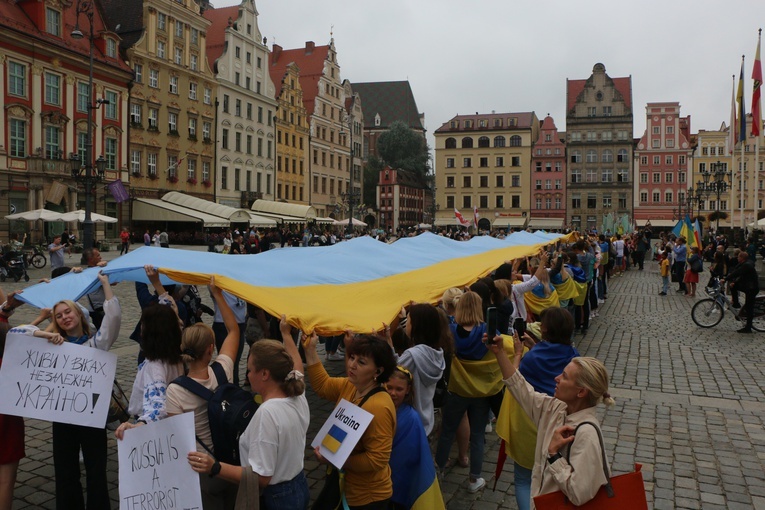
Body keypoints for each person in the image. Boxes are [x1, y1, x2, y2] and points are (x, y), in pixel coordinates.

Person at [187, 316, 309, 510]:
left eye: (250, 369)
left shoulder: (267, 413)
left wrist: (215, 467)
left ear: (265, 374)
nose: (248, 375)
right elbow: (297, 367)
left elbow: (261, 477)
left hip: (276, 497)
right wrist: (286, 334)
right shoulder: (297, 392)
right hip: (299, 485)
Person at [489, 334, 614, 508]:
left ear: (581, 392)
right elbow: (522, 390)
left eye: (564, 376)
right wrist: (499, 352)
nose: (556, 378)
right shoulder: (556, 408)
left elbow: (579, 493)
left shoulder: (587, 433)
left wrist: (554, 456)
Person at [29, 272, 121, 509]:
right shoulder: (52, 346)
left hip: (92, 417)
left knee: (96, 469)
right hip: (63, 417)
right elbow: (21, 336)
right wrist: (47, 330)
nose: (64, 318)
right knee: (65, 470)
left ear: (79, 314)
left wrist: (104, 283)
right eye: (59, 316)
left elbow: (112, 318)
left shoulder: (96, 343)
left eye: (68, 312)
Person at [167, 278, 240, 509]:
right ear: (211, 350)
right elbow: (233, 330)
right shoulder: (223, 370)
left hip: (203, 468)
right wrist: (217, 294)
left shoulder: (175, 391)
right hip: (231, 463)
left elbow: (177, 438)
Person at [496, 307, 579, 510]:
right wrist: (535, 348)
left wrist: (518, 353)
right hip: (558, 426)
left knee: (524, 479)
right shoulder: (574, 357)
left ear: (546, 330)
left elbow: (515, 382)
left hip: (529, 423)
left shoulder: (532, 359)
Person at [304, 332, 397, 509]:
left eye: (361, 362)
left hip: (367, 498)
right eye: (352, 357)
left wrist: (335, 459)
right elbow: (323, 386)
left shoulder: (378, 406)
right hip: (345, 488)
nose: (352, 365)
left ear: (378, 371)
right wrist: (310, 350)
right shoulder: (351, 385)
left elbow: (377, 459)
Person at [435, 291, 493, 493]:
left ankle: (438, 471)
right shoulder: (487, 331)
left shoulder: (450, 330)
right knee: (477, 436)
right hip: (480, 392)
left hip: (457, 389)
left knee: (447, 432)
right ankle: (474, 479)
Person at [386, 367, 445, 510]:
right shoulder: (383, 409)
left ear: (407, 390)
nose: (393, 393)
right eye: (389, 387)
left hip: (397, 483)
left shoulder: (411, 418)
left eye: (398, 389)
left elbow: (405, 458)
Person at [394, 303, 446, 436]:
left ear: (416, 326)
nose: (407, 323)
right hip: (426, 417)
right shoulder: (436, 352)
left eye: (409, 321)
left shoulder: (412, 355)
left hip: (410, 420)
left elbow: (393, 372)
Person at [726, 252, 760, 333]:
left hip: (751, 288)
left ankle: (748, 328)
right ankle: (736, 303)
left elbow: (737, 273)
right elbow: (741, 275)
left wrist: (726, 279)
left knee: (749, 307)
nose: (737, 258)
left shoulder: (747, 265)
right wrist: (735, 282)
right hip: (748, 286)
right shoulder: (745, 264)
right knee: (733, 286)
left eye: (738, 257)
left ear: (742, 258)